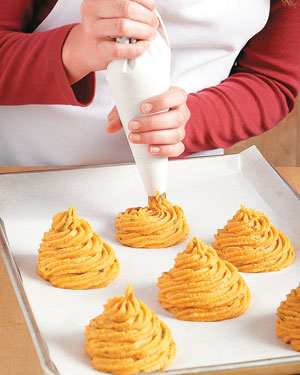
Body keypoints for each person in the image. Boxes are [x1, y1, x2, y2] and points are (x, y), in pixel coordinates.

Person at [0, 0, 299, 165]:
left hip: (188, 184)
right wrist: (73, 51)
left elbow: (271, 80)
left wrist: (191, 121)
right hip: (27, 174)